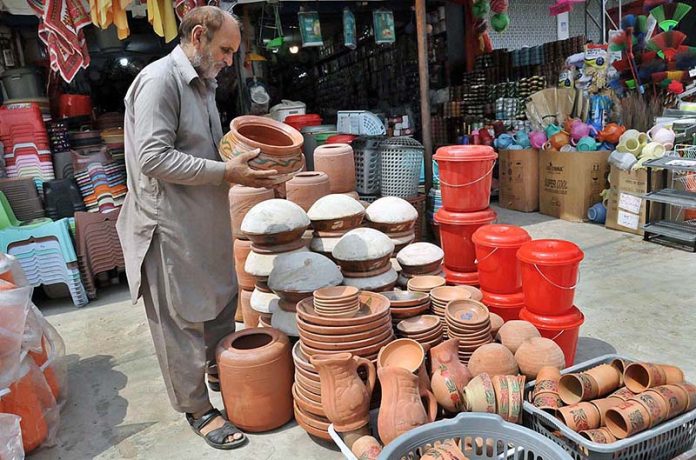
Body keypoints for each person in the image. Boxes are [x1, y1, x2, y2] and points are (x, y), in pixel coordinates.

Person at [117, 6, 287, 450]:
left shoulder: (203, 84)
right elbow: (152, 158)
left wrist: (242, 159)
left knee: (217, 305)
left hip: (202, 221)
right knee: (180, 322)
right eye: (226, 49)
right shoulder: (160, 82)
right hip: (168, 227)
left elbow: (204, 149)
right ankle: (196, 408)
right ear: (197, 36)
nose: (230, 60)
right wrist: (226, 172)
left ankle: (220, 372)